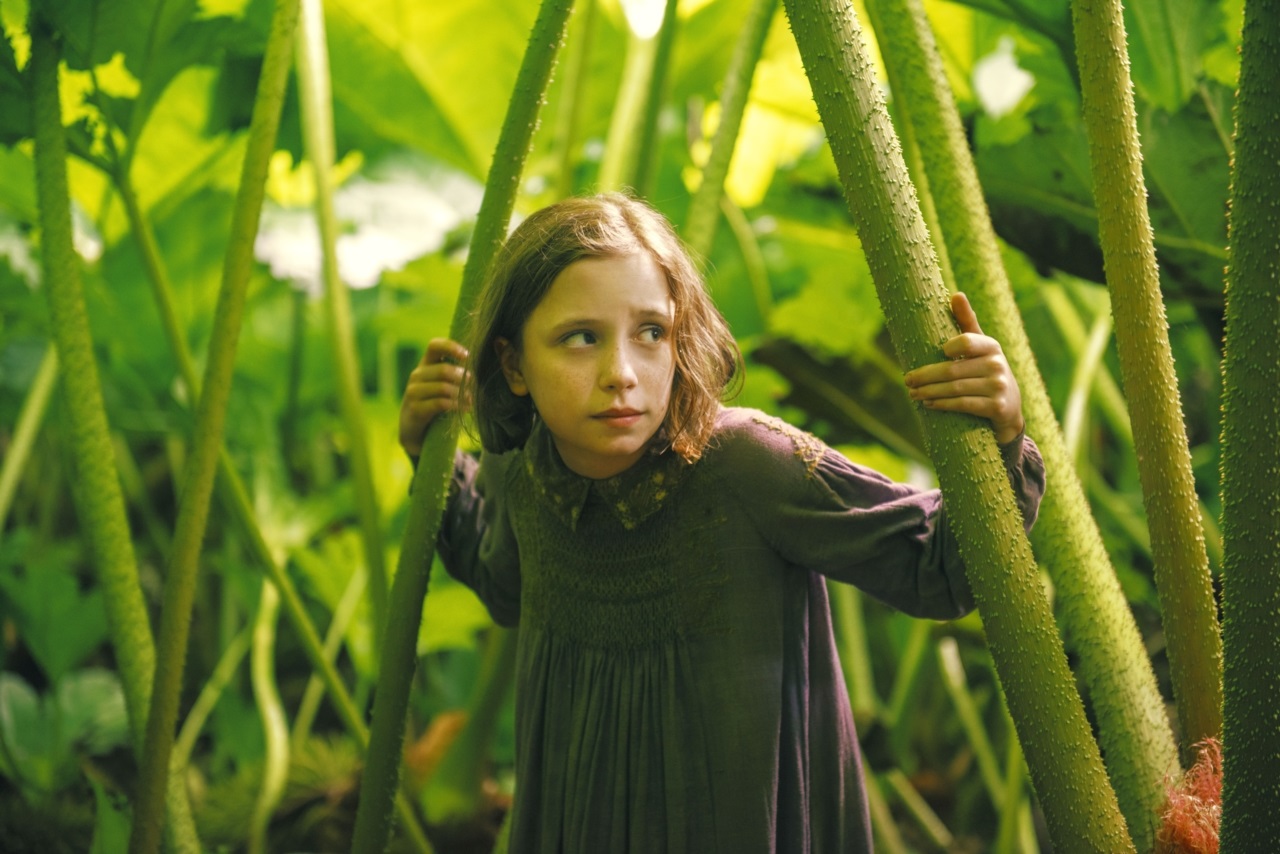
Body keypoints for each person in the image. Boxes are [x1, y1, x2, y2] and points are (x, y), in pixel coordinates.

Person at [398, 193, 1044, 853]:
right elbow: (507, 587)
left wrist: (1000, 438)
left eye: (651, 331)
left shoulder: (748, 464)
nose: (621, 374)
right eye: (581, 338)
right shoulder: (523, 469)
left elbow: (937, 571)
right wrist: (434, 458)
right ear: (512, 365)